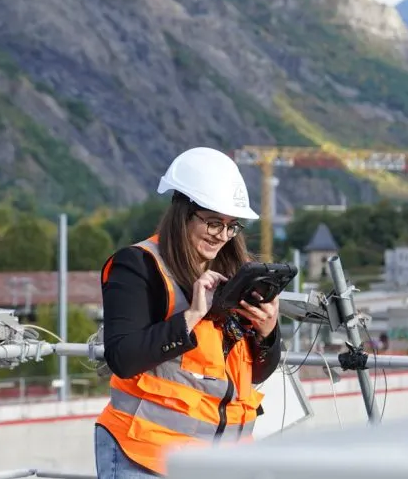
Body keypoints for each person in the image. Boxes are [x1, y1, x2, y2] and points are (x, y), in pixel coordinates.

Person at [94, 146, 283, 477]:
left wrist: (268, 334)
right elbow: (123, 358)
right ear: (182, 212)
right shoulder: (139, 265)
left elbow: (250, 377)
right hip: (148, 456)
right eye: (212, 223)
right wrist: (192, 316)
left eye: (231, 226)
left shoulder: (237, 273)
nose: (222, 236)